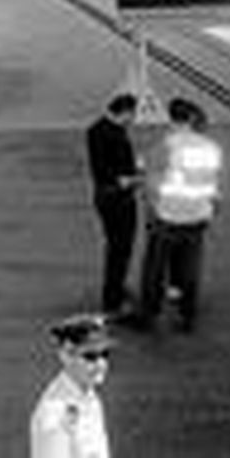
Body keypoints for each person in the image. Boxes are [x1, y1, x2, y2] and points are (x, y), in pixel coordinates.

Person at [134, 98, 223, 333]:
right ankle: (188, 315)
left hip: (168, 216)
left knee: (155, 269)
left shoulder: (166, 146)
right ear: (192, 118)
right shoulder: (211, 146)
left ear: (170, 118)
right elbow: (213, 183)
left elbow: (149, 182)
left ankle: (149, 315)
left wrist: (150, 212)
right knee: (190, 269)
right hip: (198, 216)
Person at [85, 94, 141, 317]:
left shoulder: (96, 129)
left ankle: (116, 287)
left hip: (105, 196)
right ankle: (112, 299)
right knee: (121, 248)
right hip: (117, 198)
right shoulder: (112, 134)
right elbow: (104, 170)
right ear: (125, 112)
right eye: (133, 114)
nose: (134, 119)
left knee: (115, 247)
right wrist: (131, 179)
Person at [29, 313, 114, 458]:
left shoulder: (88, 394)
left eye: (105, 354)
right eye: (90, 356)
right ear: (66, 356)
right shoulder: (55, 416)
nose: (100, 364)